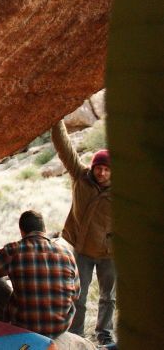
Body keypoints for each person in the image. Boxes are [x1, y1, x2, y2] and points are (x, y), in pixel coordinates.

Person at [52, 120, 115, 345]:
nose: (102, 172)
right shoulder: (80, 177)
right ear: (93, 166)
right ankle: (77, 335)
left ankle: (104, 335)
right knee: (78, 296)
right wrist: (56, 120)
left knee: (108, 298)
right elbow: (65, 149)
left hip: (110, 255)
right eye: (99, 167)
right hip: (83, 251)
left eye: (107, 169)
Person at [0, 210, 80, 339]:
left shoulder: (14, 250)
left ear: (22, 231)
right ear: (44, 229)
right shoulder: (67, 254)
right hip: (58, 327)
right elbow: (76, 293)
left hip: (25, 326)